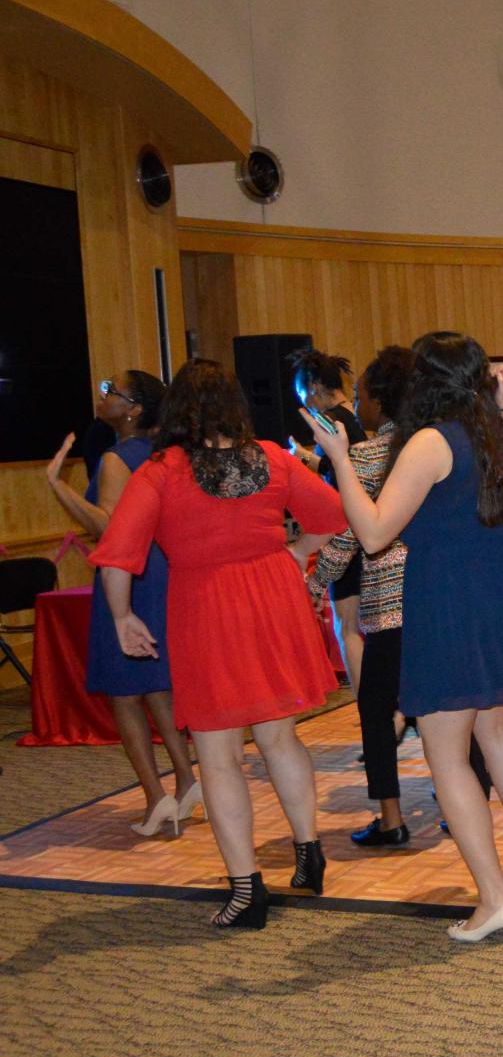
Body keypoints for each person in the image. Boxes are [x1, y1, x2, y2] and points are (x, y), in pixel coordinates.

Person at [316, 333, 503, 943]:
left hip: (452, 601)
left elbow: (373, 534)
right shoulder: (495, 432)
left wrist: (341, 459)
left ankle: (494, 899)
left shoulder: (430, 440)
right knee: (494, 729)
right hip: (502, 594)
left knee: (445, 751)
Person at [90, 360, 344, 929]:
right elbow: (333, 515)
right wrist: (298, 554)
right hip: (273, 598)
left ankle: (246, 890)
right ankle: (308, 854)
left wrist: (124, 616)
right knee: (280, 737)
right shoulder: (273, 458)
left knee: (219, 756)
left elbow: (116, 553)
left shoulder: (160, 471)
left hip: (206, 606)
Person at [307, 346, 497, 847]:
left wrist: (313, 580)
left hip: (395, 604)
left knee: (375, 705)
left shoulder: (370, 455)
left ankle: (391, 818)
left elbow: (353, 535)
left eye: (362, 396)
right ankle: (467, 807)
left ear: (381, 402)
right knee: (460, 707)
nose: (358, 406)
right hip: (450, 600)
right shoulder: (447, 446)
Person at [44, 372, 198, 836]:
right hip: (160, 574)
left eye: (113, 391)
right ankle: (189, 780)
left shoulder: (115, 459)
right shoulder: (166, 454)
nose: (103, 395)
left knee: (125, 693)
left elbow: (108, 529)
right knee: (156, 685)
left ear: (134, 410)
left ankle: (157, 799)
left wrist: (57, 486)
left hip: (125, 579)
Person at [289, 349, 368, 696]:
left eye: (304, 394)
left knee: (347, 625)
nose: (305, 403)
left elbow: (338, 474)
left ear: (315, 386)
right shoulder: (356, 415)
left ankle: (369, 709)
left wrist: (303, 459)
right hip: (369, 528)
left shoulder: (329, 421)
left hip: (347, 531)